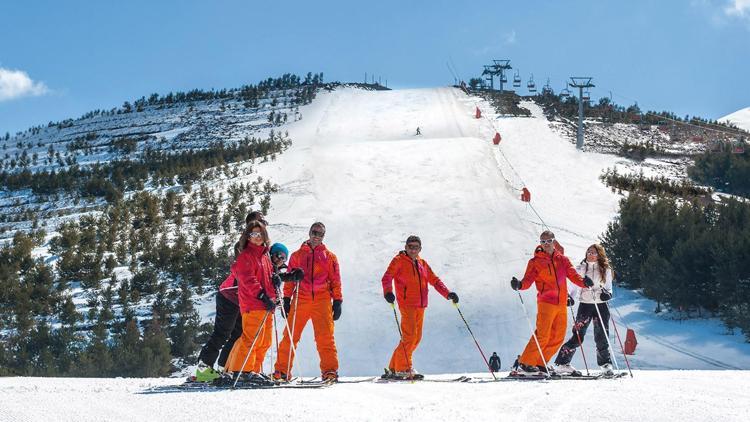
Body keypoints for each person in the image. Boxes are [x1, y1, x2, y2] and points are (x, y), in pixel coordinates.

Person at [195, 210, 267, 382]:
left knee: (239, 334)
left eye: (264, 224)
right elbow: (246, 271)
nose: (262, 227)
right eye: (259, 223)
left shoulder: (262, 248)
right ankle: (203, 370)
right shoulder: (243, 246)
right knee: (222, 333)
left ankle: (225, 367)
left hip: (243, 298)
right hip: (230, 294)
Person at [510, 230, 592, 376]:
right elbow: (528, 280)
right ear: (540, 243)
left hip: (561, 303)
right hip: (546, 302)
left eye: (549, 241)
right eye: (543, 241)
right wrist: (520, 285)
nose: (546, 244)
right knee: (543, 334)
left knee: (558, 336)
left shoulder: (563, 260)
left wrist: (584, 282)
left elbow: (573, 275)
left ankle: (541, 362)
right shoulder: (535, 262)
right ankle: (526, 362)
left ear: (554, 241)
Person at [381, 235, 459, 379]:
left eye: (416, 247)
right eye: (410, 247)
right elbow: (387, 277)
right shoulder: (398, 261)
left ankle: (393, 367)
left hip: (421, 305)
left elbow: (434, 280)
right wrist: (388, 293)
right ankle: (404, 369)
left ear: (420, 249)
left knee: (415, 338)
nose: (413, 250)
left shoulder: (422, 263)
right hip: (407, 304)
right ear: (405, 247)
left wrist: (448, 294)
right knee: (410, 337)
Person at [273, 222, 343, 382]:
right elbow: (290, 279)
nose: (316, 236)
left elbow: (335, 280)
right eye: (314, 232)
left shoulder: (330, 257)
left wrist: (338, 300)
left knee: (325, 337)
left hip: (323, 300)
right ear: (309, 232)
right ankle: (282, 372)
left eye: (320, 234)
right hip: (301, 299)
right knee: (290, 336)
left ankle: (330, 371)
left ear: (323, 236)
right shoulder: (297, 256)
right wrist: (286, 299)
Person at [223, 220, 277, 376]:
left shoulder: (264, 255)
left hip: (266, 304)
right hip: (254, 303)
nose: (257, 237)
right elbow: (248, 280)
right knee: (251, 339)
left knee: (264, 342)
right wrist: (262, 295)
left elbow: (266, 278)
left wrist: (275, 280)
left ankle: (254, 370)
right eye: (253, 234)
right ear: (248, 237)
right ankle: (242, 371)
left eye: (260, 234)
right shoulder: (246, 256)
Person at [553, 244, 615, 376]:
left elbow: (609, 287)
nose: (590, 254)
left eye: (593, 252)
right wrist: (570, 297)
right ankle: (562, 363)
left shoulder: (606, 269)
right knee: (578, 334)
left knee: (602, 335)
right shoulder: (581, 268)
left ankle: (605, 365)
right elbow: (574, 285)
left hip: (601, 305)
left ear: (599, 255)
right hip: (585, 305)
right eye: (588, 252)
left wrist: (608, 294)